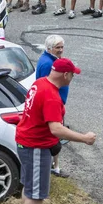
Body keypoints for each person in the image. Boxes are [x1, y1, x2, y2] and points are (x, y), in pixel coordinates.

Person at [15, 58, 97, 204]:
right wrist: (84, 138)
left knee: (29, 185)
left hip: (24, 141)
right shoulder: (51, 95)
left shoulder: (39, 83)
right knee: (37, 193)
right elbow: (56, 129)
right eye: (72, 75)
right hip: (36, 146)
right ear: (66, 75)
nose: (72, 78)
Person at [35, 35, 70, 178]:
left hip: (58, 104)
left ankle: (54, 166)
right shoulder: (48, 64)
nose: (61, 50)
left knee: (55, 137)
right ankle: (53, 167)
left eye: (62, 47)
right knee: (54, 137)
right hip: (54, 106)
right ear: (49, 48)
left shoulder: (51, 59)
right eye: (58, 47)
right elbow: (46, 86)